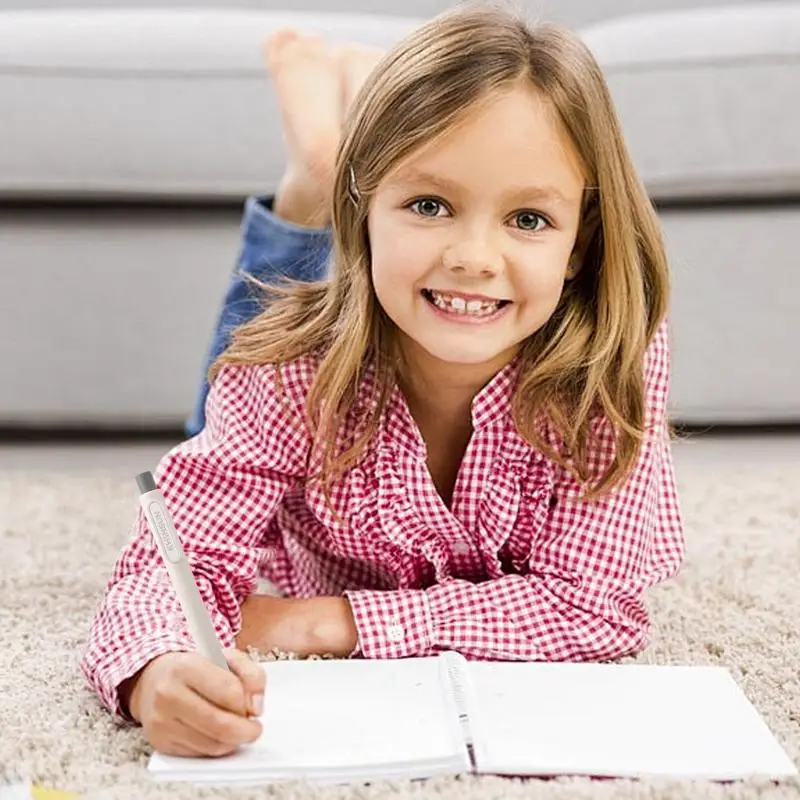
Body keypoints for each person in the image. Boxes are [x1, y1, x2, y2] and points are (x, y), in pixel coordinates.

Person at [80, 4, 685, 760]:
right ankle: (315, 173)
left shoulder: (615, 356)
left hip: (369, 318)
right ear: (363, 211)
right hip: (326, 348)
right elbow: (171, 570)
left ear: (579, 245)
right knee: (253, 333)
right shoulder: (282, 373)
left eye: (529, 219)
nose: (474, 257)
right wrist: (153, 674)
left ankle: (326, 159)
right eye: (430, 204)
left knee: (293, 319)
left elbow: (596, 610)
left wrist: (320, 621)